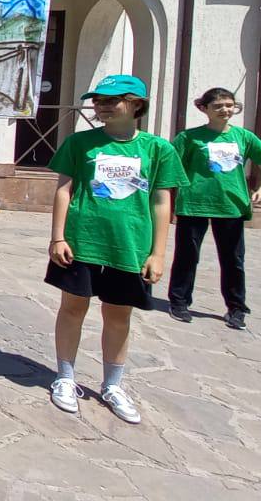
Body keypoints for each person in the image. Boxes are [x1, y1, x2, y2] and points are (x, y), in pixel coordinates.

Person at [45, 74, 185, 423]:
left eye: (112, 100)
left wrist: (158, 252)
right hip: (82, 242)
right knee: (73, 309)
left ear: (136, 104)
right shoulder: (80, 143)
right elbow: (64, 190)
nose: (102, 106)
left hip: (130, 247)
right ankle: (65, 377)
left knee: (119, 315)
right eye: (98, 100)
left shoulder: (158, 149)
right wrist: (58, 236)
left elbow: (161, 201)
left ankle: (113, 384)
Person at [167, 87, 261, 330]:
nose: (225, 110)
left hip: (231, 205)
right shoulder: (189, 138)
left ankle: (236, 308)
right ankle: (179, 301)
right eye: (218, 106)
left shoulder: (243, 137)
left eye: (229, 105)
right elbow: (169, 165)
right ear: (204, 109)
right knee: (187, 256)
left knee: (233, 259)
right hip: (194, 204)